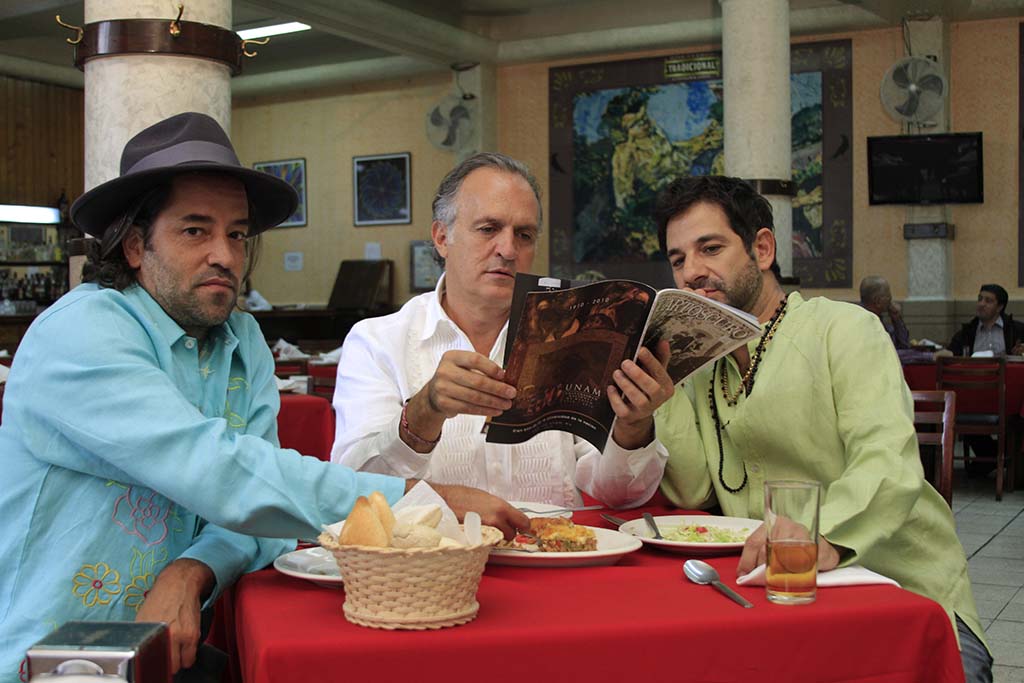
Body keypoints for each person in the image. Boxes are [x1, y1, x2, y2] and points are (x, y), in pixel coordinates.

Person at [0, 113, 527, 683]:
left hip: (172, 655)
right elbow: (223, 471)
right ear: (133, 245)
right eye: (195, 231)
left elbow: (259, 514)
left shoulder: (241, 340)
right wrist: (422, 498)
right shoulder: (82, 333)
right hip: (50, 656)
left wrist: (192, 569)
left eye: (237, 233)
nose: (225, 255)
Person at [651, 176, 991, 682]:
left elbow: (888, 460)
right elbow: (694, 488)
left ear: (762, 248)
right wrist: (658, 394)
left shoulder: (844, 329)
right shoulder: (705, 365)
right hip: (776, 603)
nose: (693, 272)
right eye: (678, 260)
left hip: (902, 592)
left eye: (711, 248)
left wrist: (818, 533)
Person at [331, 152, 674, 508]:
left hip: (554, 554)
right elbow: (354, 489)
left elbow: (620, 496)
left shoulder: (575, 333)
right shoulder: (377, 342)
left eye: (524, 235)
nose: (509, 250)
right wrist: (424, 411)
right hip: (437, 559)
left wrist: (633, 428)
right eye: (488, 229)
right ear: (441, 236)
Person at [949, 284, 1024, 357]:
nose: (981, 304)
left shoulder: (1016, 330)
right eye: (980, 299)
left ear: (999, 307)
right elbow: (951, 353)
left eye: (988, 301)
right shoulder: (967, 332)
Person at [858, 275, 910, 349]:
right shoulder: (866, 323)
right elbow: (890, 354)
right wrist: (927, 356)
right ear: (878, 301)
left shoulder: (879, 320)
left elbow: (903, 345)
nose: (891, 301)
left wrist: (897, 319)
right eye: (888, 296)